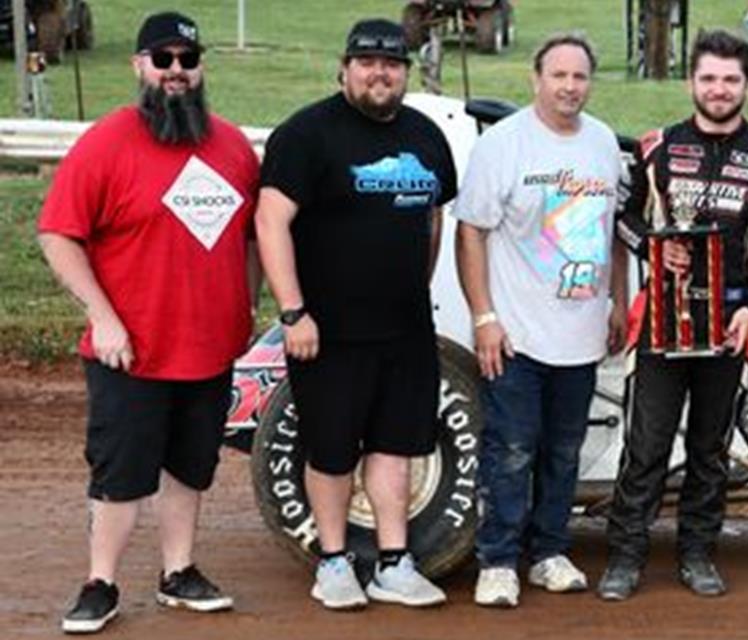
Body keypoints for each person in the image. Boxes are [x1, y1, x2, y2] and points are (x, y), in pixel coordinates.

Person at [38, 11, 260, 634]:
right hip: (129, 349)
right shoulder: (107, 143)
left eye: (187, 60)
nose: (176, 72)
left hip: (210, 348)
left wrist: (246, 303)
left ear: (200, 68)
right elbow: (58, 235)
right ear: (140, 66)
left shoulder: (232, 146)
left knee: (191, 466)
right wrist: (102, 317)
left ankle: (179, 572)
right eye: (161, 60)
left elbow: (249, 237)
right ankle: (100, 581)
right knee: (121, 473)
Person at [255, 18, 456, 610]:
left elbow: (433, 217)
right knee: (332, 448)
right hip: (327, 330)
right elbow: (270, 222)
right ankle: (335, 562)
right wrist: (293, 313)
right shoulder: (306, 134)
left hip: (405, 326)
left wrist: (413, 288)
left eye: (391, 64)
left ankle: (395, 563)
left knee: (397, 445)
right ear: (344, 68)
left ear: (405, 73)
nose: (379, 73)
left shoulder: (425, 134)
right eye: (367, 62)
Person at [598, 29, 748, 601]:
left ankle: (696, 553)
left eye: (730, 79)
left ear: (747, 85)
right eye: (709, 78)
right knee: (647, 445)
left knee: (710, 450)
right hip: (664, 323)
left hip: (731, 325)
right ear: (693, 81)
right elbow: (621, 218)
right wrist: (655, 245)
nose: (718, 89)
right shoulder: (655, 149)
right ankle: (626, 556)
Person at [452, 33, 626, 608]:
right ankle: (498, 559)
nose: (569, 87)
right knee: (511, 449)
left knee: (564, 450)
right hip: (517, 335)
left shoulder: (603, 144)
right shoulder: (504, 145)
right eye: (559, 76)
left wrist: (617, 303)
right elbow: (470, 231)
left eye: (579, 77)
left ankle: (549, 551)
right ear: (536, 79)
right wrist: (484, 317)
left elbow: (614, 234)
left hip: (580, 335)